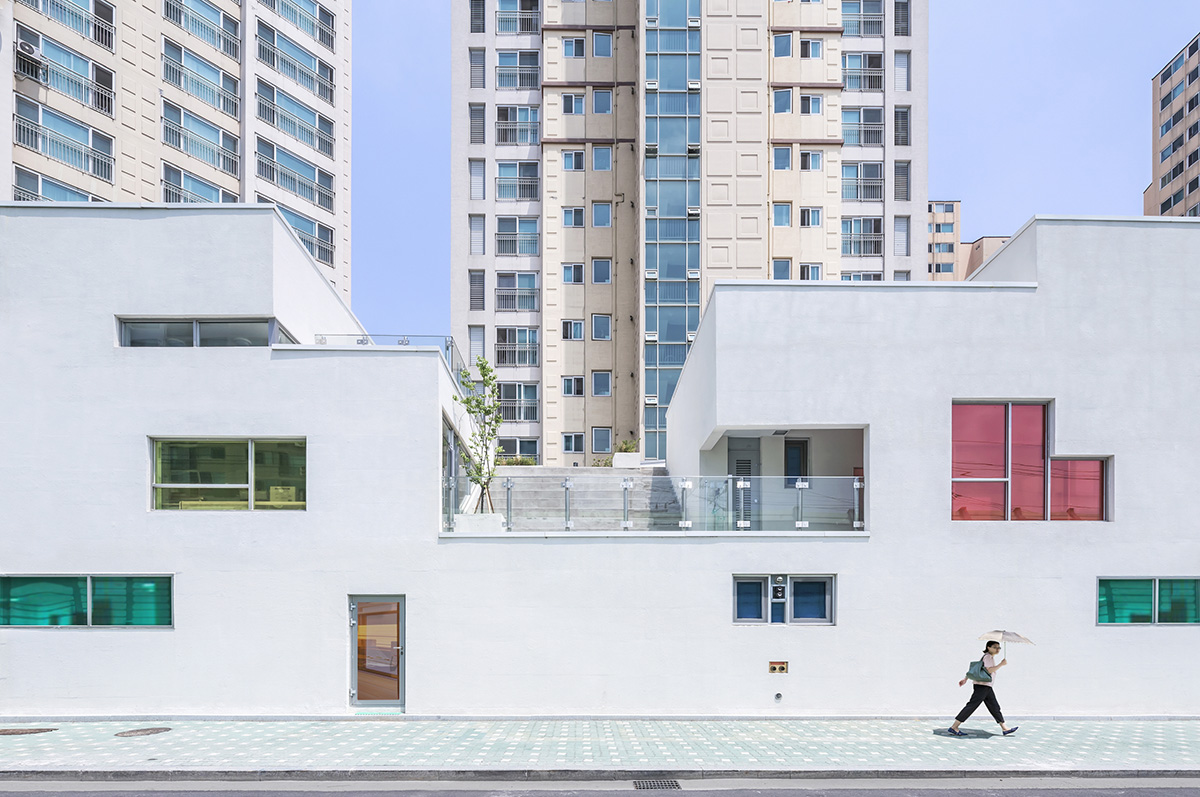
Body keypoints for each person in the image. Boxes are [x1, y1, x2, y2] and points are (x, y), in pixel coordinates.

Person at [947, 641, 1018, 736]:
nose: (997, 649)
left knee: (994, 707)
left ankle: (1004, 728)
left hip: (986, 686)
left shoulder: (988, 657)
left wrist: (965, 679)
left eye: (999, 647)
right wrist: (1001, 664)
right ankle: (954, 727)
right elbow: (989, 670)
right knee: (972, 705)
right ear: (988, 647)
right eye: (995, 647)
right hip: (982, 686)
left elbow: (976, 670)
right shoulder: (988, 657)